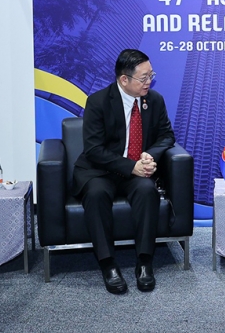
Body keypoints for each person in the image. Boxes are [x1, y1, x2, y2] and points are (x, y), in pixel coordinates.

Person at [72, 49, 175, 294]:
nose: (149, 81)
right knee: (96, 195)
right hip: (100, 170)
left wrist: (150, 155)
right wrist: (132, 167)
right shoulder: (98, 101)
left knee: (147, 191)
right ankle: (108, 265)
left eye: (151, 75)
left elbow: (166, 136)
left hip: (135, 173)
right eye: (144, 78)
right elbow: (94, 150)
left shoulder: (155, 100)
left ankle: (144, 262)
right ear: (124, 80)